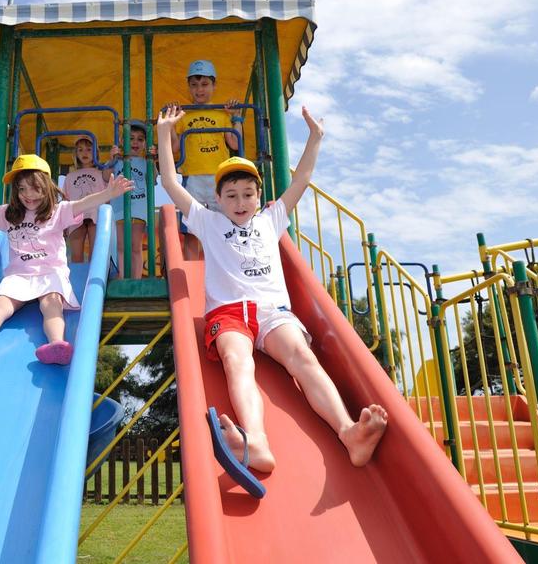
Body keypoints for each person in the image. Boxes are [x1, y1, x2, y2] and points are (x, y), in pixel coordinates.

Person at [156, 105, 388, 484]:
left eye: (248, 193)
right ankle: (257, 442)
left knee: (302, 356)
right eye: (231, 195)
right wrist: (165, 134)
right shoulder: (208, 222)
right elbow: (169, 181)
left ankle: (349, 433)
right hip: (228, 313)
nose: (241, 201)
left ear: (259, 195)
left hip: (272, 311)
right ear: (218, 199)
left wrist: (315, 138)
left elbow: (303, 178)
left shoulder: (272, 218)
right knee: (237, 360)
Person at [0, 152, 133, 365]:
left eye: (35, 187)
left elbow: (84, 202)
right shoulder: (9, 214)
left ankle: (56, 344)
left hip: (50, 273)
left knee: (51, 305)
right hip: (18, 276)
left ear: (46, 186)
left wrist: (108, 192)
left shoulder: (57, 211)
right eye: (22, 188)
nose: (28, 194)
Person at [166, 59, 243, 261]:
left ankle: (227, 262)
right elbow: (174, 147)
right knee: (192, 227)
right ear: (189, 87)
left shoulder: (221, 113)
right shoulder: (184, 115)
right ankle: (192, 267)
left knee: (225, 224)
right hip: (192, 177)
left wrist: (236, 117)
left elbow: (234, 143)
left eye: (204, 84)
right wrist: (172, 125)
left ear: (214, 85)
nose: (200, 90)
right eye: (194, 85)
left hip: (219, 178)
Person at [104, 120, 157, 279]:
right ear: (122, 141)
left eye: (140, 139)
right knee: (121, 245)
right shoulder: (117, 161)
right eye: (131, 138)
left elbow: (153, 179)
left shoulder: (145, 161)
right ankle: (122, 277)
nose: (135, 142)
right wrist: (111, 159)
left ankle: (136, 279)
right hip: (120, 207)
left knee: (135, 246)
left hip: (139, 208)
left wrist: (152, 159)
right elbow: (106, 177)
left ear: (145, 144)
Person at [62, 135, 107, 262]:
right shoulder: (70, 176)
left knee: (96, 251)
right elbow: (66, 199)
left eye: (88, 149)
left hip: (95, 214)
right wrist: (64, 223)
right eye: (80, 150)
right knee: (76, 255)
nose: (84, 153)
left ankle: (93, 279)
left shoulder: (100, 173)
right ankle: (78, 280)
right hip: (76, 215)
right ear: (76, 154)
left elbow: (107, 194)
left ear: (95, 153)